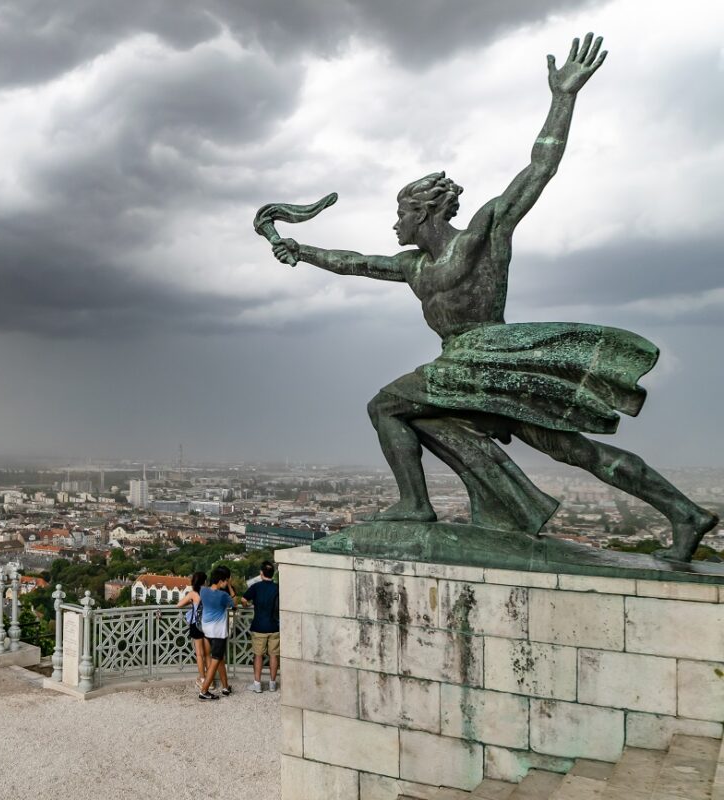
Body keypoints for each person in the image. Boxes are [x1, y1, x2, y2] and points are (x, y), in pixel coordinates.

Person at [269, 32, 717, 560]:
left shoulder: (483, 233)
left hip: (489, 355)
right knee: (571, 449)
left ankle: (415, 504)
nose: (395, 224)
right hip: (468, 367)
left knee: (386, 406)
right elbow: (355, 262)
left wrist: (563, 98)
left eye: (401, 214)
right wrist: (300, 249)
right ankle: (685, 513)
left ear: (424, 213)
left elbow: (538, 171)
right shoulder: (412, 266)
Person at [197, 566, 235, 701]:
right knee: (215, 660)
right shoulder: (223, 595)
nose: (227, 582)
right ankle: (204, 691)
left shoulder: (203, 591)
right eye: (226, 580)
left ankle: (225, 687)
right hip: (218, 632)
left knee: (219, 659)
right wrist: (230, 587)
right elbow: (234, 604)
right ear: (221, 581)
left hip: (206, 631)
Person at [243, 561, 279, 693]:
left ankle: (257, 684)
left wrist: (248, 605)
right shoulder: (277, 587)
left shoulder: (256, 587)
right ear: (272, 574)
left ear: (261, 573)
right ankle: (272, 684)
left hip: (259, 626)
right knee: (274, 655)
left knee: (258, 655)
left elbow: (243, 600)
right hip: (274, 626)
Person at [175, 571, 209, 687]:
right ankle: (210, 681)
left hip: (196, 625)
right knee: (208, 654)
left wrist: (190, 602)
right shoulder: (209, 593)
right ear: (204, 581)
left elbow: (178, 605)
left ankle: (203, 679)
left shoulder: (193, 594)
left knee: (199, 654)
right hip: (208, 626)